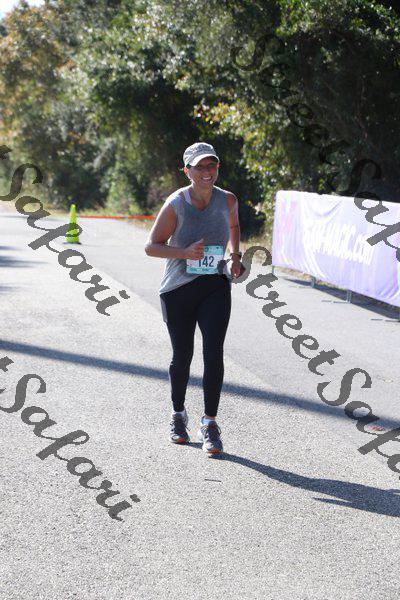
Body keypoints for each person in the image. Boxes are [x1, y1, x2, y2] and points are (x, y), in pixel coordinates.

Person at [144, 142, 243, 456]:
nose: (206, 172)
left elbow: (234, 225)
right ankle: (178, 415)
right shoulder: (176, 204)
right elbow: (151, 246)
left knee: (214, 354)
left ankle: (210, 423)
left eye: (211, 165)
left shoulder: (228, 200)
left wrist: (235, 257)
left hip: (215, 285)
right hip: (178, 289)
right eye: (200, 167)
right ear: (187, 171)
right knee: (182, 356)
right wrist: (184, 253)